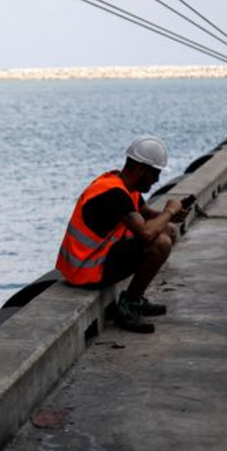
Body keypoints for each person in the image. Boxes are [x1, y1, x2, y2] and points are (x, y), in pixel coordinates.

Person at [55, 135, 189, 333]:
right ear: (141, 169)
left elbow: (151, 217)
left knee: (166, 230)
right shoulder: (113, 193)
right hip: (86, 270)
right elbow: (145, 234)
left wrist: (173, 215)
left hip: (94, 262)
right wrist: (169, 212)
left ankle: (134, 299)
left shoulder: (126, 188)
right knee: (160, 242)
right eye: (155, 174)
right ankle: (128, 307)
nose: (157, 180)